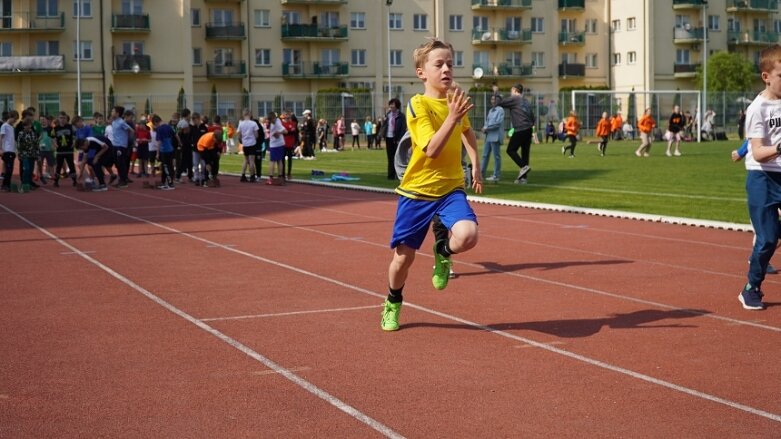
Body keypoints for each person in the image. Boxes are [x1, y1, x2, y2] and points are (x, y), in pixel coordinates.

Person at [380, 38, 482, 332]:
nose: (447, 69)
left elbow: (467, 132)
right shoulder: (417, 105)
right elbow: (432, 149)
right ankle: (392, 301)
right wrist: (452, 117)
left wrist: (475, 162)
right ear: (421, 72)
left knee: (468, 235)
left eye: (450, 63)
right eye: (439, 64)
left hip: (450, 188)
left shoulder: (455, 100)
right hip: (417, 191)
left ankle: (443, 251)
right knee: (403, 259)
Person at [736, 45, 781, 310]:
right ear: (766, 76)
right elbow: (758, 152)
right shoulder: (757, 109)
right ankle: (751, 287)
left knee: (772, 235)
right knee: (766, 239)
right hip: (762, 178)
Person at [492, 82, 535, 184]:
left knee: (510, 150)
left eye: (511, 91)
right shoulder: (526, 101)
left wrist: (496, 92)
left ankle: (523, 166)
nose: (511, 93)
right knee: (525, 153)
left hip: (520, 128)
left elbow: (499, 103)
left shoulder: (515, 99)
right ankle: (523, 178)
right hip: (529, 129)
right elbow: (532, 117)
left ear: (515, 90)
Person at [480, 94, 504, 182]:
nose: (492, 101)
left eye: (494, 99)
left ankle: (496, 175)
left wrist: (487, 128)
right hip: (488, 136)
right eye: (492, 99)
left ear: (498, 100)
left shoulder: (500, 110)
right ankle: (481, 174)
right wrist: (484, 128)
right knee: (484, 155)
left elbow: (497, 123)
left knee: (496, 156)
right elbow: (487, 122)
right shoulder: (490, 110)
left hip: (495, 136)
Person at [383, 100, 406, 179]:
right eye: (390, 104)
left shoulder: (401, 115)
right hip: (388, 137)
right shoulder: (388, 115)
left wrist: (400, 138)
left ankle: (398, 175)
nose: (391, 106)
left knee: (397, 157)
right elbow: (385, 125)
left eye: (392, 104)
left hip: (396, 138)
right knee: (390, 157)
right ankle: (390, 175)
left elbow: (403, 128)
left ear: (396, 105)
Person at [152, 114, 175, 190]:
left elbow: (159, 142)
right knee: (169, 166)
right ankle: (164, 182)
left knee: (166, 167)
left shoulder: (160, 129)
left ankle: (170, 184)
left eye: (154, 125)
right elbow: (174, 136)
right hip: (170, 149)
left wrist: (157, 153)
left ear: (156, 122)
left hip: (164, 150)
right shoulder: (169, 127)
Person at [16, 117, 39, 191]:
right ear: (24, 126)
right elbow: (19, 145)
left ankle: (29, 183)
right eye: (26, 125)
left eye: (29, 125)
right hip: (24, 155)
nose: (28, 126)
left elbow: (36, 144)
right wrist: (20, 154)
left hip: (32, 154)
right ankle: (24, 184)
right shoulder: (21, 133)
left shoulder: (33, 133)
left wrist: (37, 154)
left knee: (31, 170)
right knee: (26, 169)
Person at [238, 109, 259, 182]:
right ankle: (252, 176)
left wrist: (242, 140)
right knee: (252, 161)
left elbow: (239, 135)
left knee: (245, 160)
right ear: (250, 114)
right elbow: (256, 135)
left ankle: (243, 175)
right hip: (252, 143)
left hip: (245, 143)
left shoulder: (241, 123)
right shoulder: (253, 123)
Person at [266, 111, 287, 185]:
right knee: (279, 160)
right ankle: (280, 177)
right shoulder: (277, 120)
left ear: (273, 118)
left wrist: (278, 133)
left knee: (273, 161)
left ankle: (271, 178)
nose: (271, 121)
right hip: (280, 143)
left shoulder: (276, 123)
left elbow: (285, 131)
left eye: (271, 120)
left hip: (275, 144)